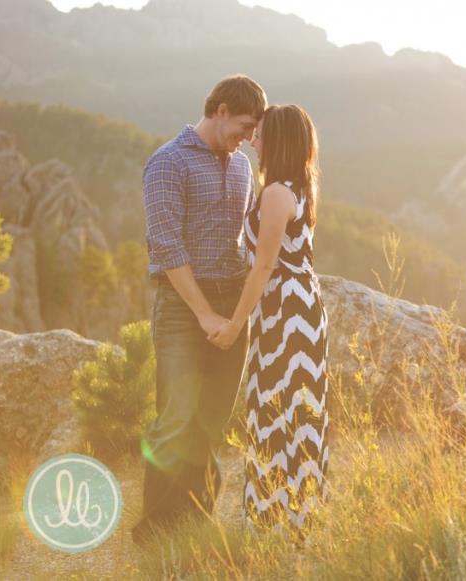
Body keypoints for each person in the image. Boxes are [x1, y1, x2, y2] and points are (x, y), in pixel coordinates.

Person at [132, 74, 267, 545]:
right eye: (245, 126)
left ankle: (193, 522)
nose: (248, 139)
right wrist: (205, 313)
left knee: (212, 418)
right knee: (176, 416)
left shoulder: (244, 167)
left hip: (233, 303)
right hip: (182, 307)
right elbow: (166, 248)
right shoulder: (167, 163)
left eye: (254, 132)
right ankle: (154, 532)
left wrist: (240, 311)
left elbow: (247, 242)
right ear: (221, 109)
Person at [208, 104, 329, 540]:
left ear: (275, 141)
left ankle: (281, 519)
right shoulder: (295, 185)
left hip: (286, 310)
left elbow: (264, 267)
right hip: (293, 305)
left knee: (281, 408)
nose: (253, 141)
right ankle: (294, 514)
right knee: (291, 407)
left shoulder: (278, 192)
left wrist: (235, 324)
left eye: (259, 135)